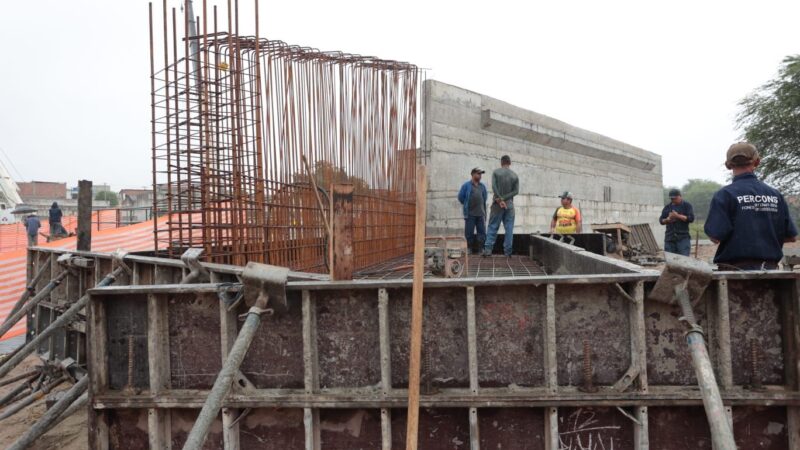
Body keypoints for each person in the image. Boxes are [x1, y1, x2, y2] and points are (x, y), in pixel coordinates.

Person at [704, 142, 798, 270]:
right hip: (771, 274)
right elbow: (791, 236)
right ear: (757, 162)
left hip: (734, 274)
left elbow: (715, 236)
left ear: (728, 165)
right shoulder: (775, 195)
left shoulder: (725, 195)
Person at [483, 155, 519, 256]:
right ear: (510, 163)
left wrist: (500, 198)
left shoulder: (496, 172)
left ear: (501, 162)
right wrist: (505, 198)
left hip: (497, 203)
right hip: (509, 205)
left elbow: (494, 187)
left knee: (493, 226)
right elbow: (516, 191)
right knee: (509, 228)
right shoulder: (514, 176)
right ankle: (508, 252)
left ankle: (488, 250)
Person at [457, 167, 488, 254]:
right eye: (478, 173)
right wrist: (467, 204)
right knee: (469, 232)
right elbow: (460, 197)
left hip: (480, 213)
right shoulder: (466, 185)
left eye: (481, 174)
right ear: (473, 174)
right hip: (470, 214)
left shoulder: (482, 186)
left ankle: (481, 249)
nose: (480, 175)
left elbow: (484, 198)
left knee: (481, 232)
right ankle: (469, 248)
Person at [659, 188, 695, 256]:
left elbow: (691, 219)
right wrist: (667, 219)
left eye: (675, 198)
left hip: (683, 238)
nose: (673, 200)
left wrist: (677, 216)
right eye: (672, 199)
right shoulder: (667, 207)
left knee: (684, 259)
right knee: (670, 259)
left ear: (680, 196)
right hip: (670, 238)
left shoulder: (687, 206)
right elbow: (661, 221)